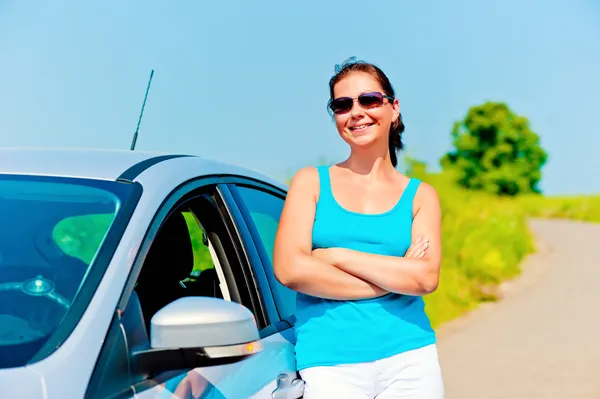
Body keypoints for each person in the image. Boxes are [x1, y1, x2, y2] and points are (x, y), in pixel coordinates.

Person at [272, 58, 444, 398]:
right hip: (330, 363)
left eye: (369, 100)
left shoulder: (421, 195)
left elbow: (424, 278)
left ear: (393, 109)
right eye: (342, 104)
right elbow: (290, 269)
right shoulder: (311, 182)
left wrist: (336, 255)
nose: (356, 112)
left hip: (410, 358)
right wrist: (391, 280)